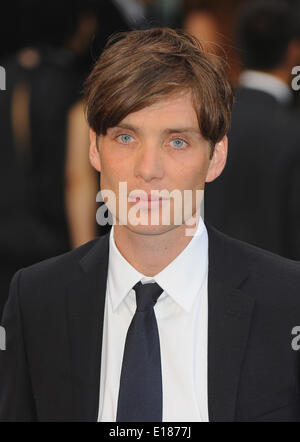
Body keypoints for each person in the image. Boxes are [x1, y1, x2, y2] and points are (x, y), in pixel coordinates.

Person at [0, 28, 300, 422]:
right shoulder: (37, 300)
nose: (148, 169)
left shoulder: (288, 301)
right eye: (126, 137)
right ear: (95, 147)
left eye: (177, 141)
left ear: (216, 156)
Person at [205, 0, 300, 260]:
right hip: (281, 290)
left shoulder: (207, 121)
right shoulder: (293, 132)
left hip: (207, 282)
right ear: (293, 51)